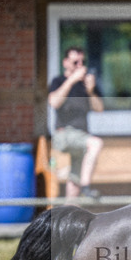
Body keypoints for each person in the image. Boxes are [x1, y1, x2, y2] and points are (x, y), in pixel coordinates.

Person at [48, 47, 104, 199]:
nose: (80, 65)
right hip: (64, 134)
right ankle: (86, 187)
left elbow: (99, 109)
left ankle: (70, 209)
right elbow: (54, 102)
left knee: (74, 184)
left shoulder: (86, 85)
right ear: (65, 63)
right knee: (96, 144)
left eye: (82, 62)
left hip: (81, 138)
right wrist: (72, 80)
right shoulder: (58, 81)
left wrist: (91, 91)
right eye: (75, 62)